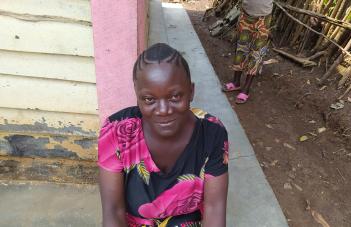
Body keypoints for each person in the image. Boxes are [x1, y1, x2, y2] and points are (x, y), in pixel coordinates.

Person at [98, 43, 229, 227]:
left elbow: (214, 207)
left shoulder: (212, 133)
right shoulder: (116, 131)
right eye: (149, 99)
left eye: (175, 96)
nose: (163, 110)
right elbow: (113, 210)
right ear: (137, 97)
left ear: (191, 92)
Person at [219, 0, 273, 104]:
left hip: (263, 19)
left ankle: (246, 89)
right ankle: (236, 82)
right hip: (245, 15)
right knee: (241, 48)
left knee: (256, 53)